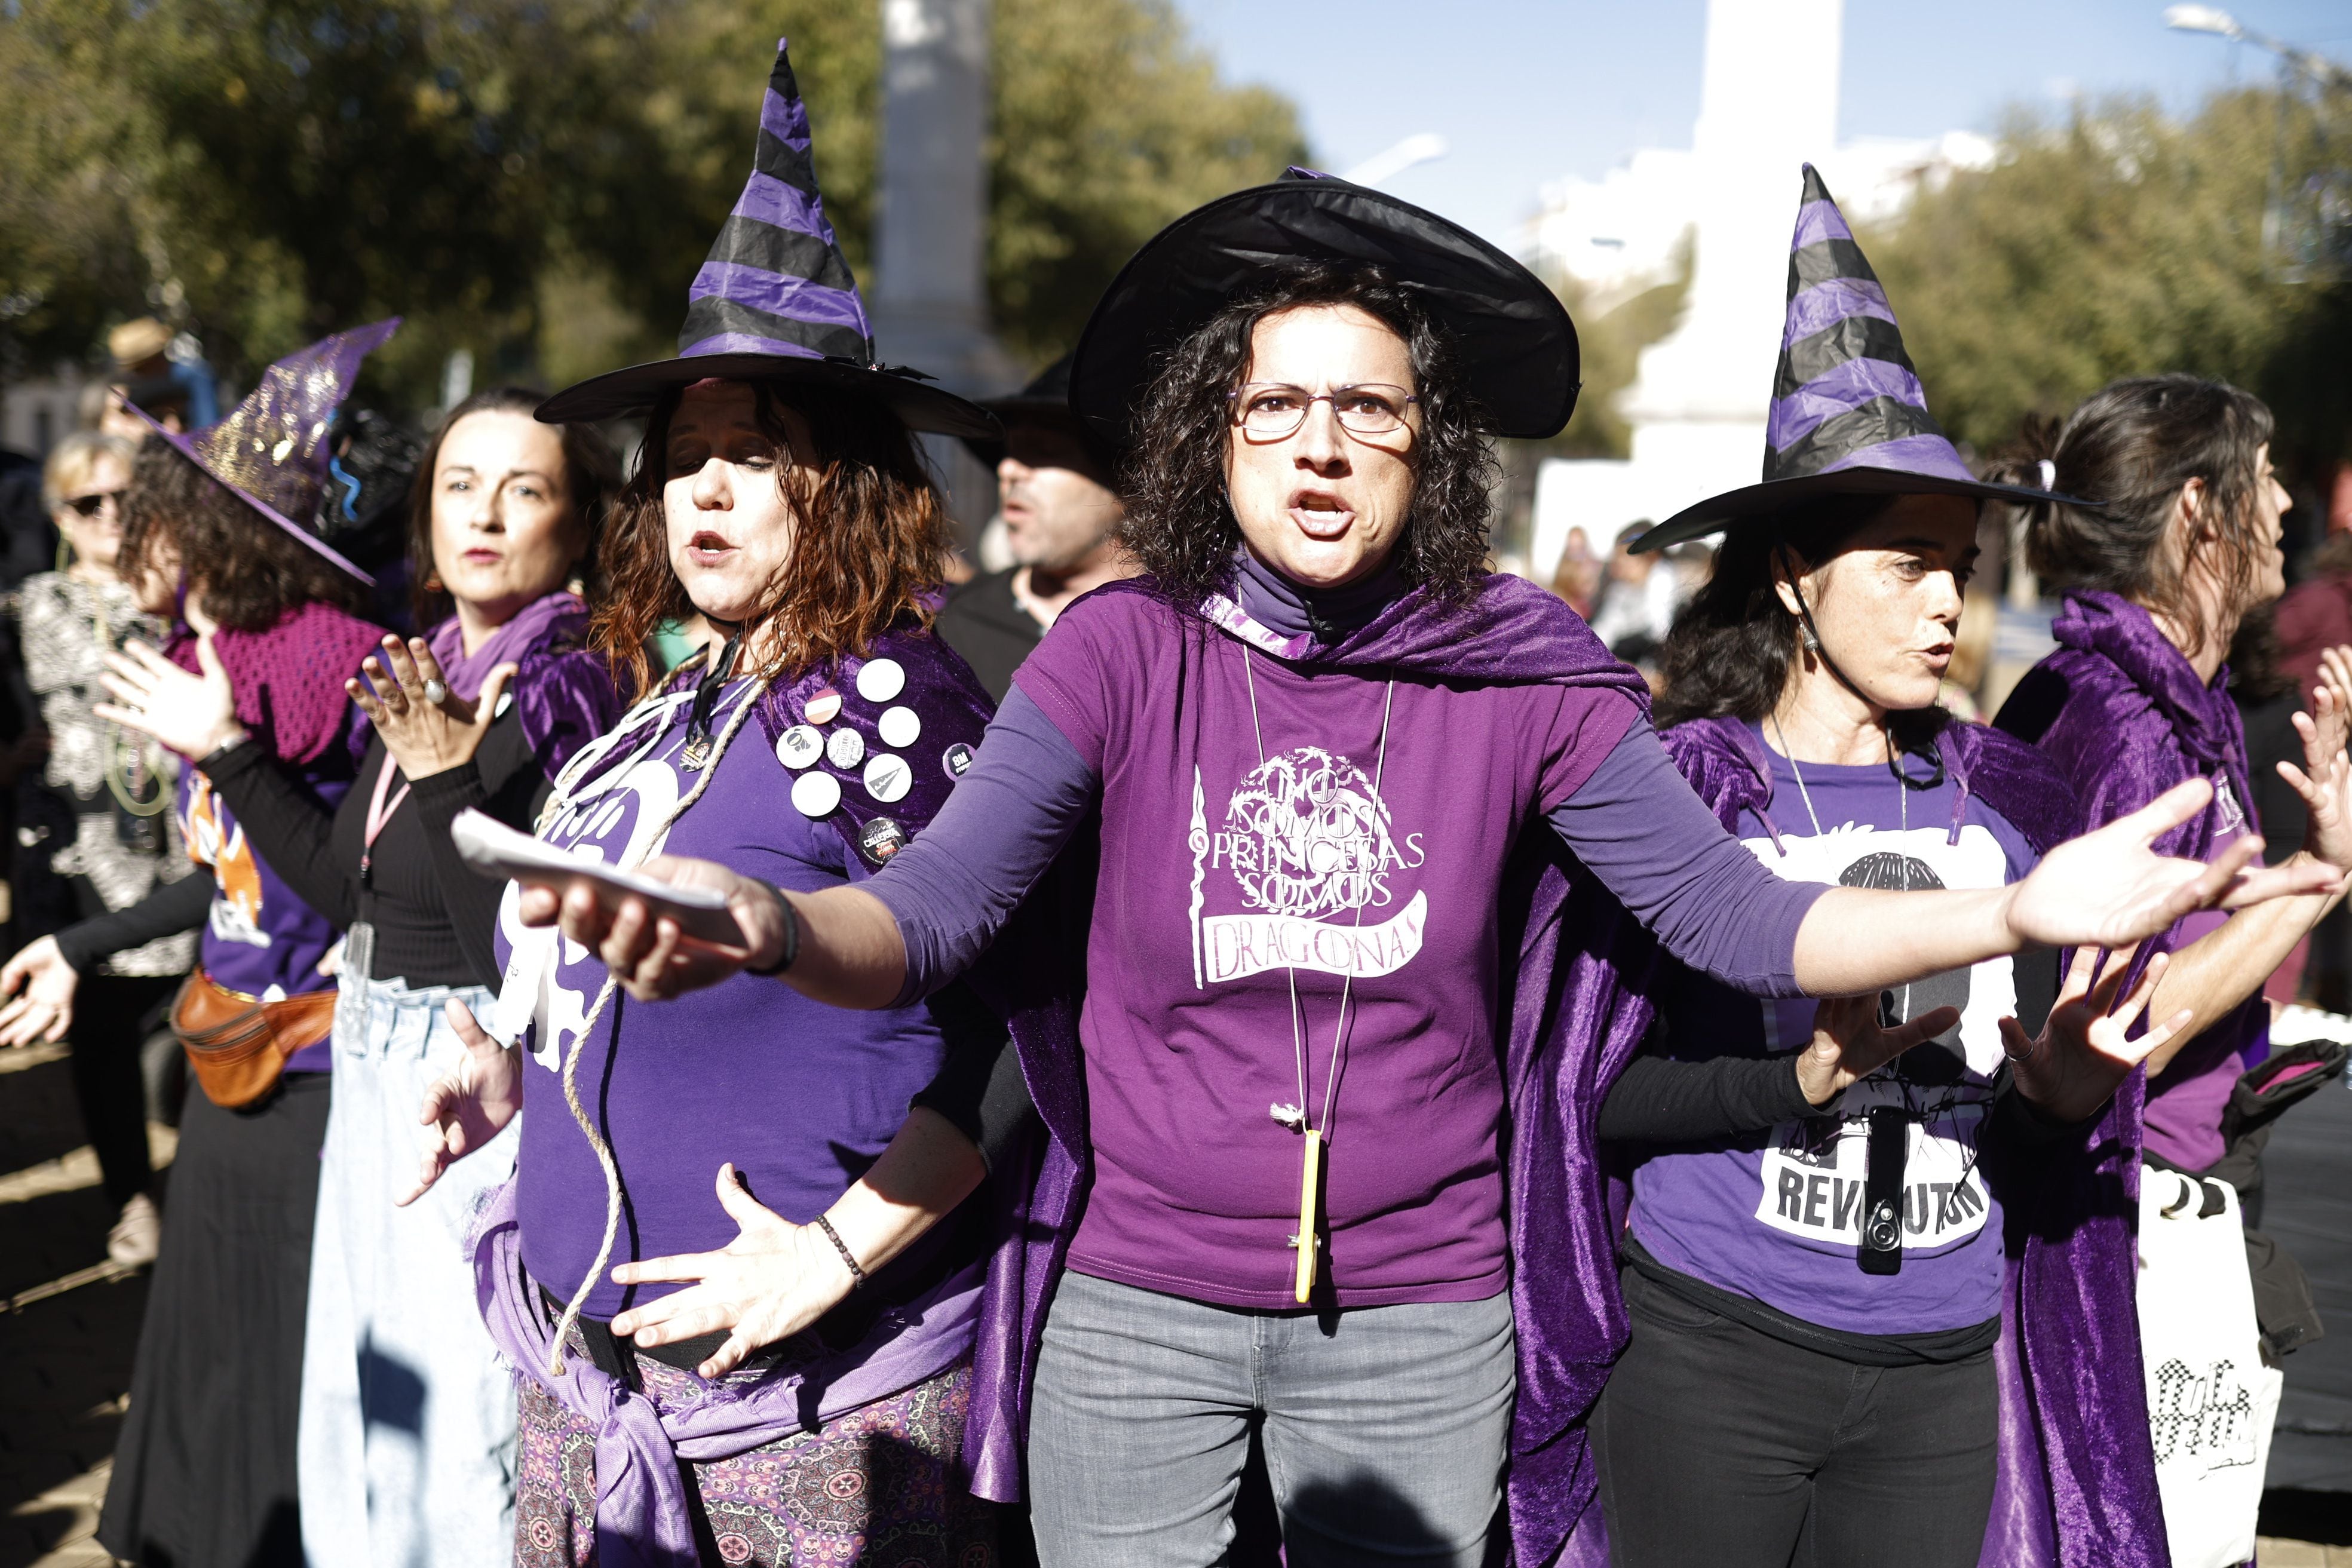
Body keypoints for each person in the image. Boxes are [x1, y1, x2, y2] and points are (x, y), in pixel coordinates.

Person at [520, 168, 2330, 1568]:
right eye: (1275, 405)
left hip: (1417, 1317)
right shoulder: (1116, 652)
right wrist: (761, 920)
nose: (1320, 442)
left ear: (1426, 444)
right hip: (1141, 1306)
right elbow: (929, 918)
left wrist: (2007, 907)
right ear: (1208, 436)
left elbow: (1741, 912)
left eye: (1368, 409)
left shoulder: (1527, 676)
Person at [400, 44, 1009, 1566]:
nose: (707, 495)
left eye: (755, 455)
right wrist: (507, 1079)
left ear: (847, 483)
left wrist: (831, 1253)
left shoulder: (912, 709)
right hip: (588, 1386)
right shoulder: (664, 706)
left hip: (808, 1414)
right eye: (684, 461)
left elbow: (1027, 1040)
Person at [1587, 166, 2198, 1568]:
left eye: (1962, 563)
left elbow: (2021, 1115)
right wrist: (1788, 1080)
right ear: (1795, 574)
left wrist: (2061, 1094)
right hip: (1709, 1360)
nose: (1945, 600)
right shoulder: (1691, 790)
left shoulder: (2001, 804)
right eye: (1906, 561)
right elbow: (1594, 1097)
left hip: (1935, 1376)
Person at [96, 384, 624, 1567]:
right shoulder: (426, 657)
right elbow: (347, 892)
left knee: (462, 1418)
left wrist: (444, 777)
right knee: (355, 1398)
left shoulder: (569, 678)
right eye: (459, 483)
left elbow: (513, 935)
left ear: (581, 523)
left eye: (525, 489)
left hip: (471, 1061)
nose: (483, 513)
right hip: (374, 1041)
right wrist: (223, 745)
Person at [0, 323, 401, 1568]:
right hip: (230, 1056)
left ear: (214, 529)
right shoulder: (186, 651)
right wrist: (83, 946)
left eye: (154, 515)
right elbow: (223, 879)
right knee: (207, 1355)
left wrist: (232, 741)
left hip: (327, 1074)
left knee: (284, 1372)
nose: (127, 539)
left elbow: (349, 888)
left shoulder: (345, 660)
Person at [1994, 375, 2352, 1360]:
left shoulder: (2180, 698)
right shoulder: (2120, 720)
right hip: (2115, 1227)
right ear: (2199, 508)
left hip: (2174, 1192)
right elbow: (2119, 1031)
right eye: (2266, 477)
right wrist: (2320, 882)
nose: (2282, 506)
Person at [5, 431, 195, 1267]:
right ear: (60, 516)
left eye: (126, 498)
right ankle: (131, 1200)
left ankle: (200, 1191)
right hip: (82, 847)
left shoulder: (182, 594)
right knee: (102, 1033)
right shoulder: (27, 607)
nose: (111, 516)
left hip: (182, 838)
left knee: (200, 1016)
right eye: (91, 503)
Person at [936, 355, 1134, 700]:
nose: (1008, 469)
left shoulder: (1192, 632)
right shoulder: (956, 627)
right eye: (1009, 453)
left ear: (1131, 486)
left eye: (1045, 451)